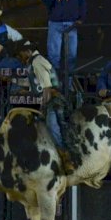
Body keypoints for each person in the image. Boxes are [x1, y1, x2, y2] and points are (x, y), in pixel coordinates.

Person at [13, 40, 75, 174]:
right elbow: (39, 85)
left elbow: (47, 88)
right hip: (52, 98)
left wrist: (43, 107)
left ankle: (66, 158)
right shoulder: (36, 61)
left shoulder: (36, 62)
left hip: (54, 100)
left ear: (26, 52)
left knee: (53, 127)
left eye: (20, 55)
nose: (20, 58)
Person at [41, 0, 86, 75]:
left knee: (71, 55)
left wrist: (81, 17)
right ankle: (55, 84)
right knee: (54, 56)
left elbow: (82, 0)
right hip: (55, 22)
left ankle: (69, 85)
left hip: (71, 22)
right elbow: (45, 1)